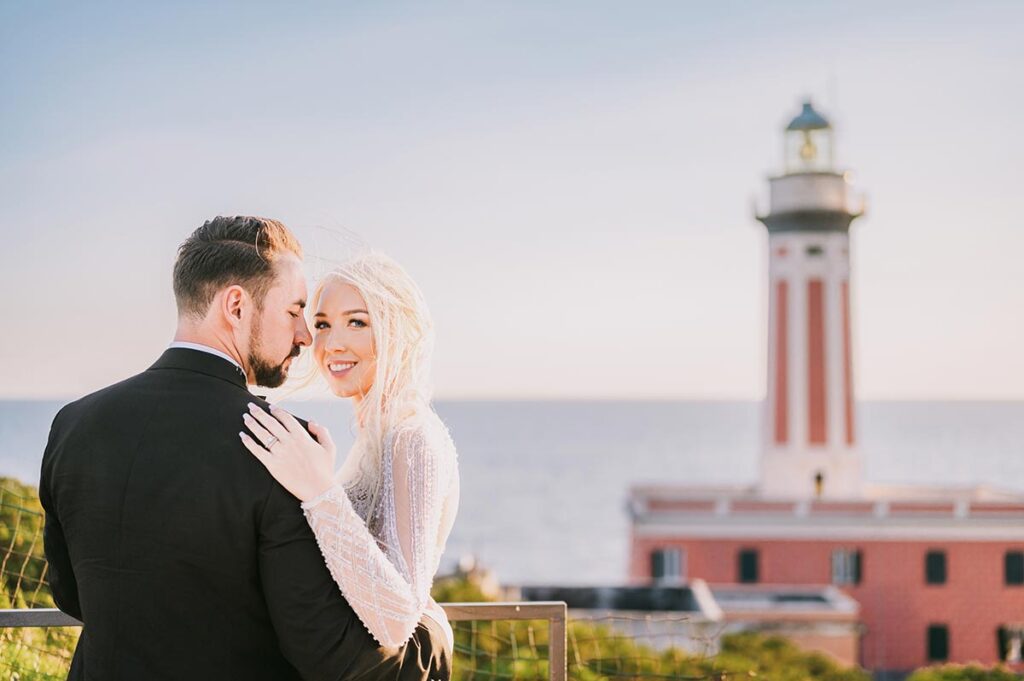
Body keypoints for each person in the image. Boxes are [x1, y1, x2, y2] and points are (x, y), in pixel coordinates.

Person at [40, 216, 446, 680]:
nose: (305, 337)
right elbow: (321, 645)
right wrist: (431, 644)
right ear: (236, 306)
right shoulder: (277, 444)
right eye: (296, 312)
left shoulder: (72, 424)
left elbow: (69, 594)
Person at [239, 252, 460, 659]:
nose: (332, 344)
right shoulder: (377, 435)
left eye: (357, 322)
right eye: (322, 325)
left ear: (398, 331)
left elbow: (397, 619)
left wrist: (319, 488)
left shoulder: (412, 437)